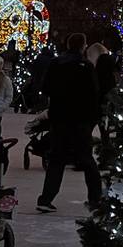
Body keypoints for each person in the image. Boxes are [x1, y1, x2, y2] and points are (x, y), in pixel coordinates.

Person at [36, 32, 103, 213]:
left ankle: (46, 198)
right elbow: (93, 94)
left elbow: (45, 88)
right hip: (80, 119)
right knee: (86, 159)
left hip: (60, 118)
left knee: (57, 159)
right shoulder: (86, 66)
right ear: (83, 46)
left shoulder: (56, 64)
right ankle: (96, 198)